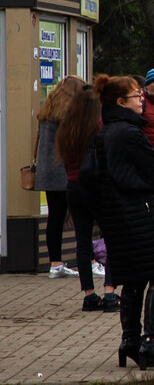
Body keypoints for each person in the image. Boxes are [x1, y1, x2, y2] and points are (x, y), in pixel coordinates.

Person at [93, 75, 154, 370]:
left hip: (119, 215)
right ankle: (152, 342)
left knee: (134, 277)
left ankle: (130, 341)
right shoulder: (129, 133)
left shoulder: (106, 132)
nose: (141, 99)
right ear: (120, 103)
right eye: (136, 96)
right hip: (141, 213)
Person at [56, 84, 118, 311]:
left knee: (82, 242)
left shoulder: (67, 128)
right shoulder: (99, 126)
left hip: (73, 186)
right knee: (112, 237)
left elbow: (65, 162)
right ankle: (110, 292)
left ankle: (89, 295)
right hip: (96, 187)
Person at [36, 75, 86, 279]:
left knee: (55, 217)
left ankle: (55, 263)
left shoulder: (47, 112)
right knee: (81, 216)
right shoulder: (69, 114)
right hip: (65, 171)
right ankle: (88, 260)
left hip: (47, 171)